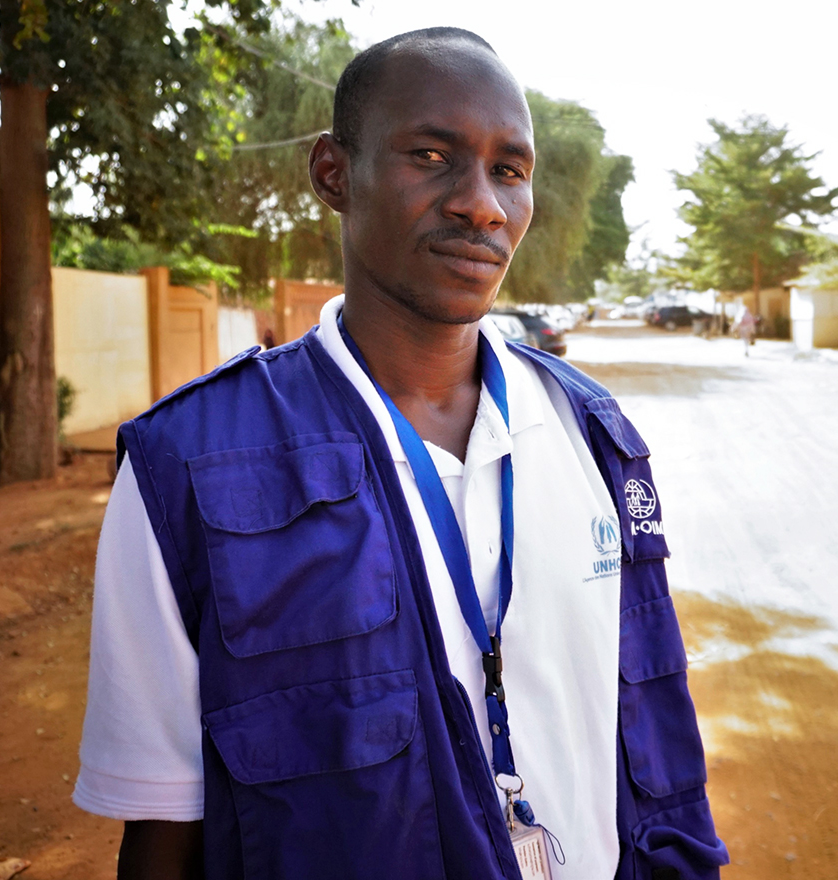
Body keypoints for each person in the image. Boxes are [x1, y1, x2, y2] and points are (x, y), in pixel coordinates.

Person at [73, 29, 726, 880]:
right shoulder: (186, 469)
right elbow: (164, 832)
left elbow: (655, 736)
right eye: (431, 154)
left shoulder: (591, 433)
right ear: (332, 174)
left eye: (510, 170)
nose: (482, 204)